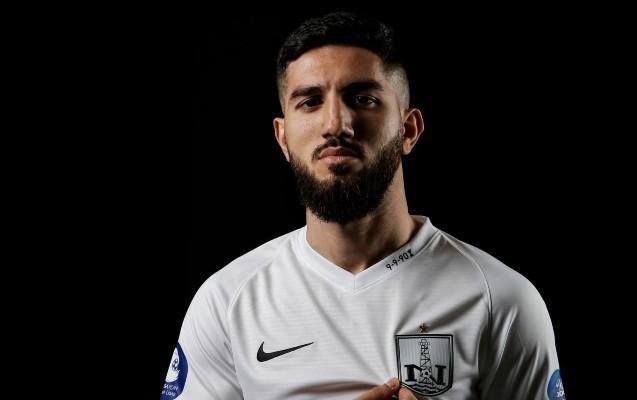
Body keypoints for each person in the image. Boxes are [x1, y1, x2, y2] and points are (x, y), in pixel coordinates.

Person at [160, 11, 565, 400]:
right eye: (310, 101)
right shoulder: (227, 300)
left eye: (363, 98)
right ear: (283, 138)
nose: (335, 124)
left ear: (408, 130)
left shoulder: (501, 298)